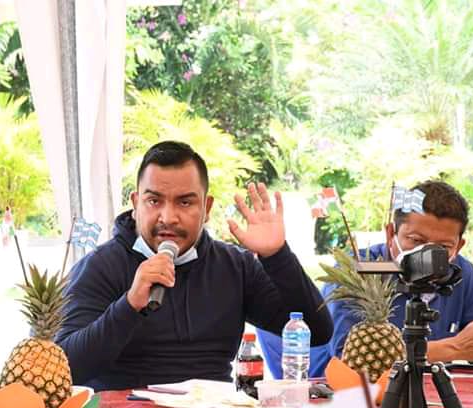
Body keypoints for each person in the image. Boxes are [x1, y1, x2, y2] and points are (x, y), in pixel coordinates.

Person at [55, 141, 333, 391]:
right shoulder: (100, 267)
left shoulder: (235, 267)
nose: (168, 217)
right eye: (154, 201)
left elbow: (317, 333)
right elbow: (64, 369)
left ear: (206, 208)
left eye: (185, 202)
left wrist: (277, 256)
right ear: (136, 204)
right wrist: (128, 306)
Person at [258, 180, 473, 378]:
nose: (428, 255)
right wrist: (453, 348)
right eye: (416, 240)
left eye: (443, 247)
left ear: (459, 246)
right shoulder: (360, 270)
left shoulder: (462, 273)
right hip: (338, 391)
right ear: (391, 233)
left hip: (427, 386)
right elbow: (351, 358)